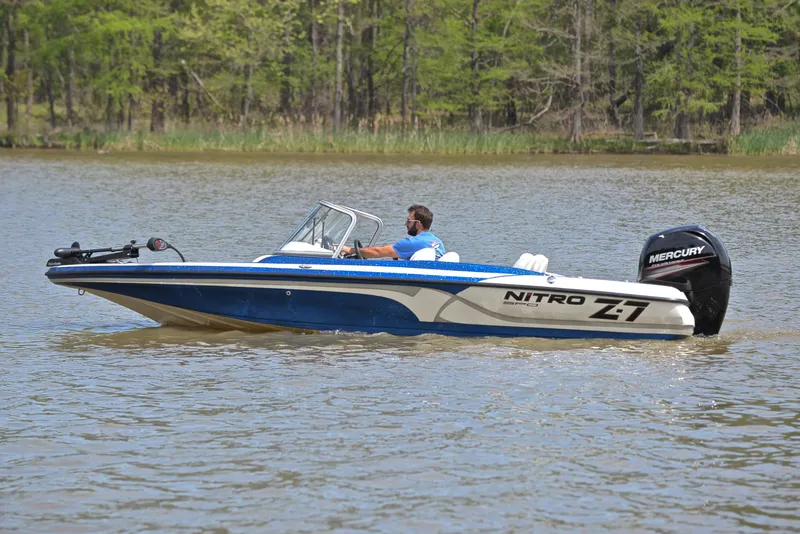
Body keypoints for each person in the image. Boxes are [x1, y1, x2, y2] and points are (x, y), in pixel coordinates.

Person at [341, 204, 445, 260]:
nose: (405, 224)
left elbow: (378, 252)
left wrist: (350, 250)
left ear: (418, 224)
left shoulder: (413, 243)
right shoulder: (438, 242)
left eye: (408, 221)